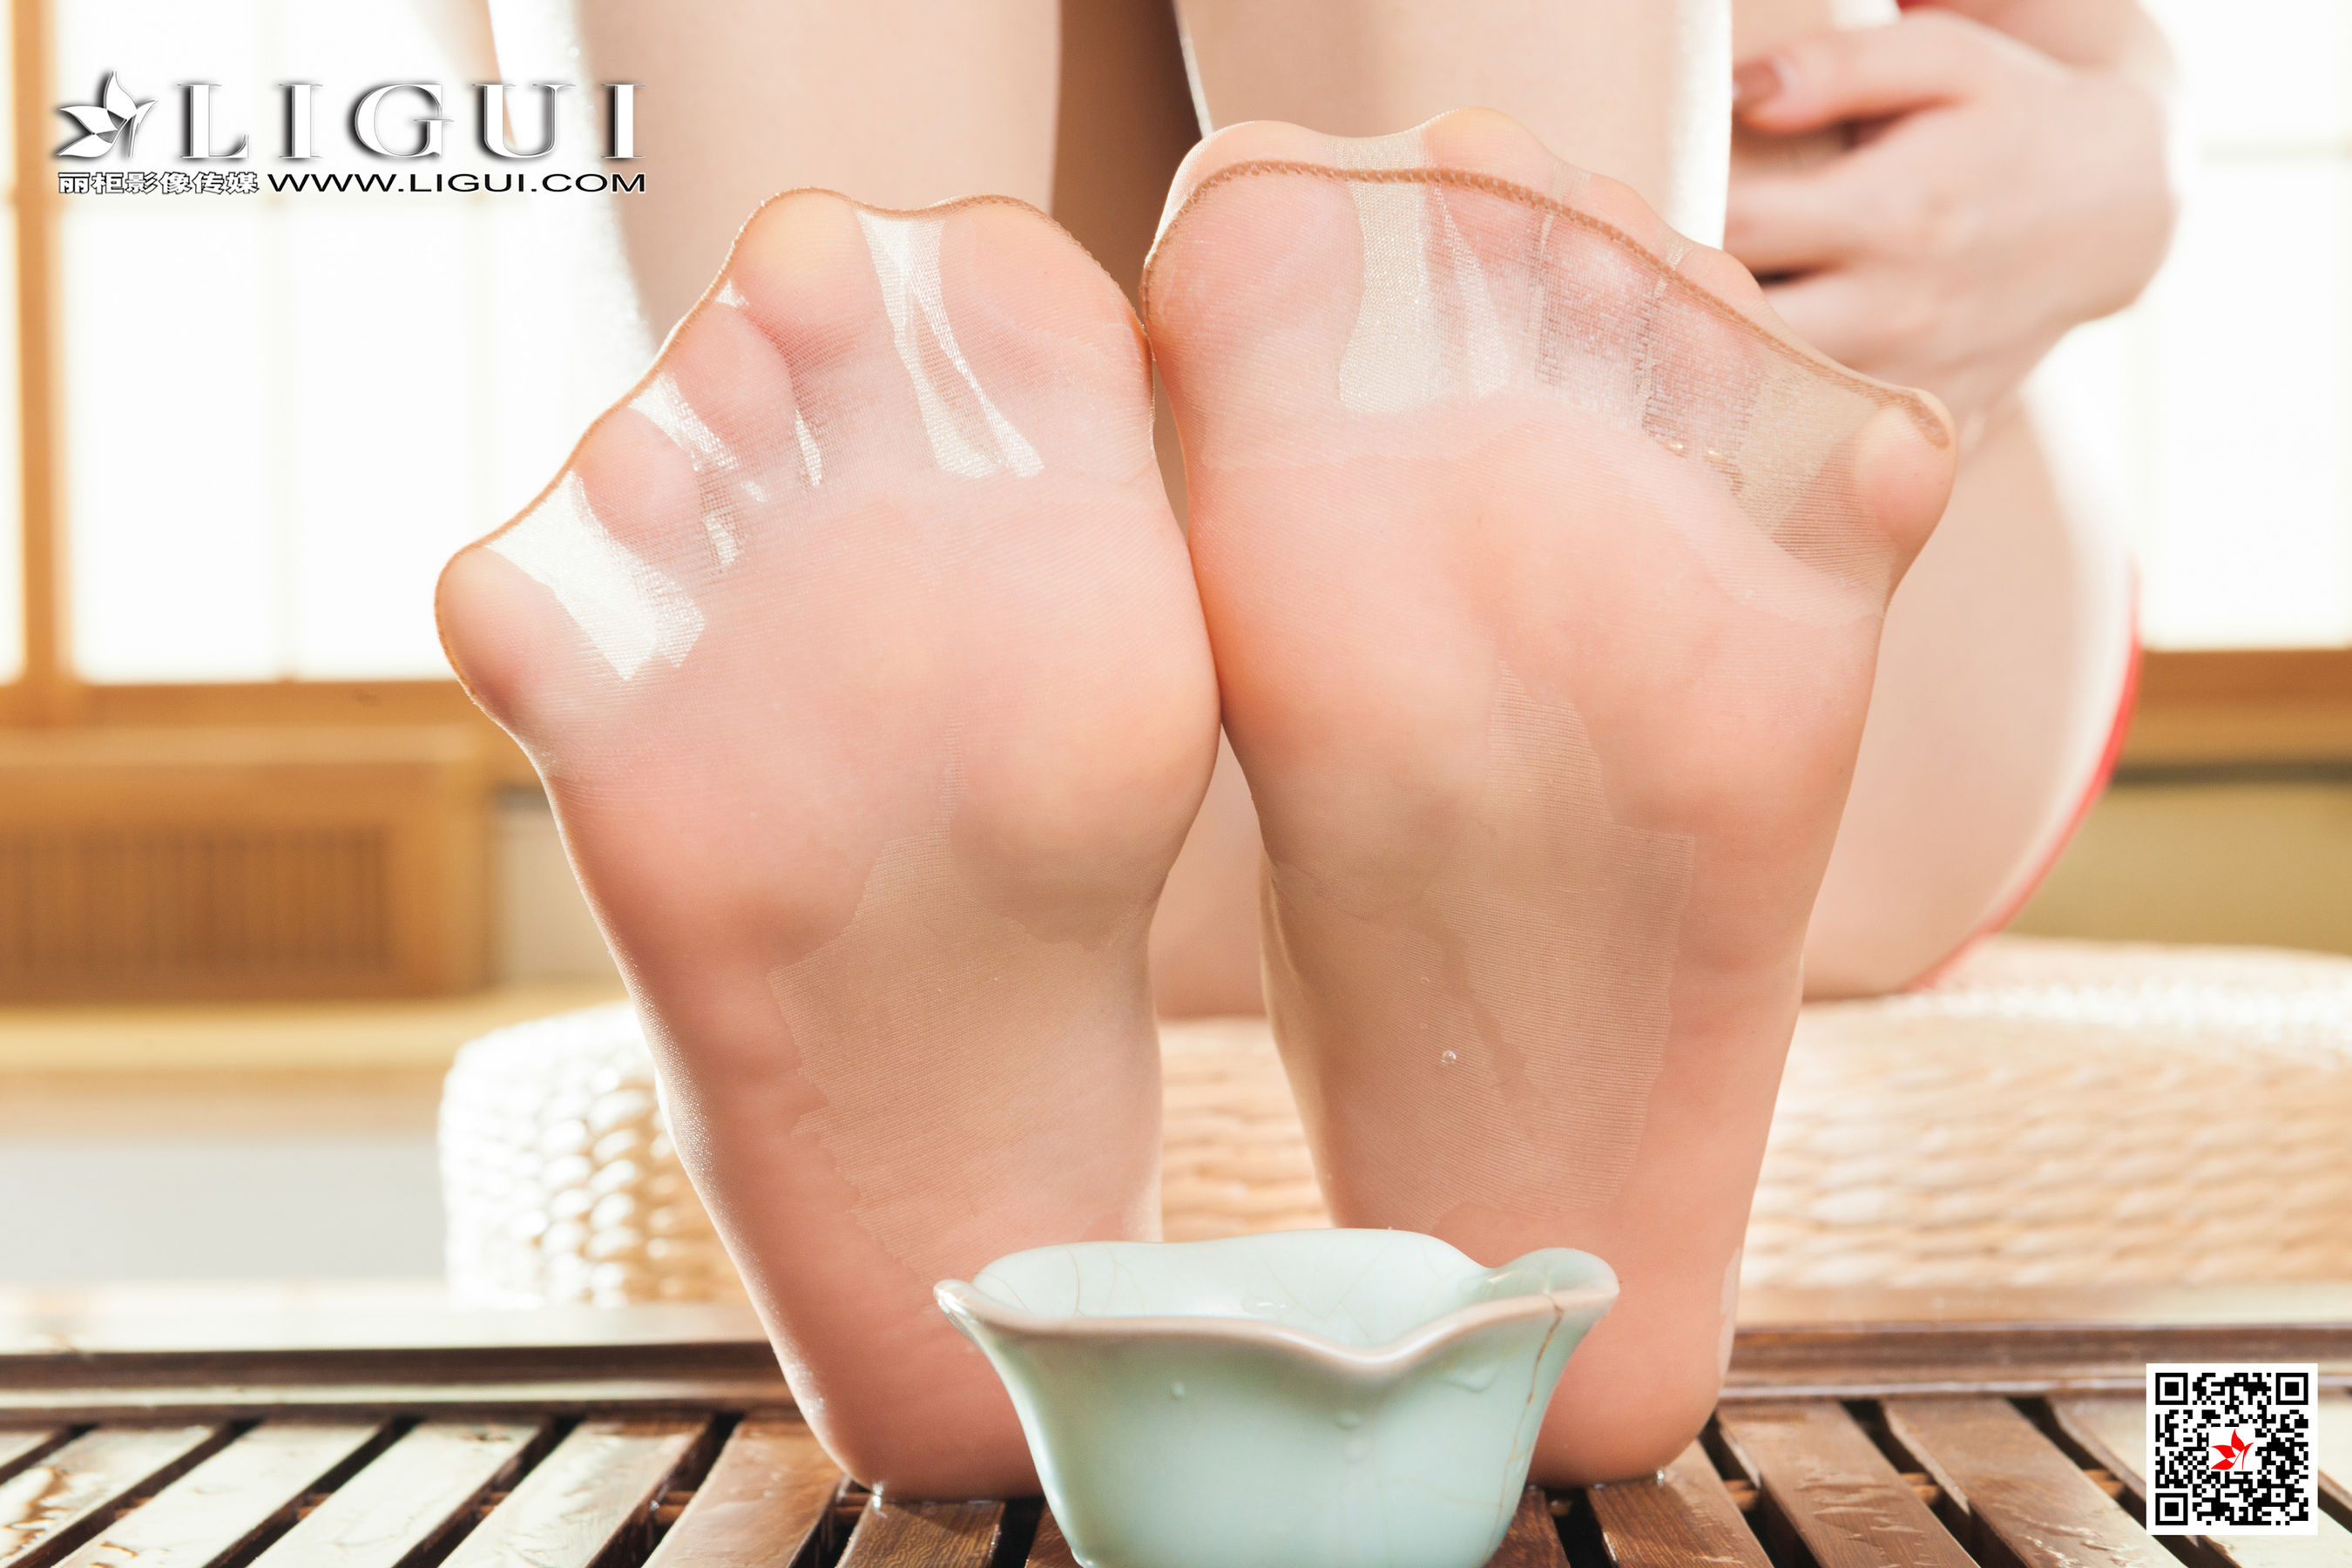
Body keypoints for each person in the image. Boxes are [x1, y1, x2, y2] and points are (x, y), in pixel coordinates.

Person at [436, 0, 2174, 1497]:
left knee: (861, 323)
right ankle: (1480, 515)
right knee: (1484, 366)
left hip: (1667, 573)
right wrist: (2124, 122)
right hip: (1807, 627)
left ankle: (898, 521)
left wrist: (2112, 168)